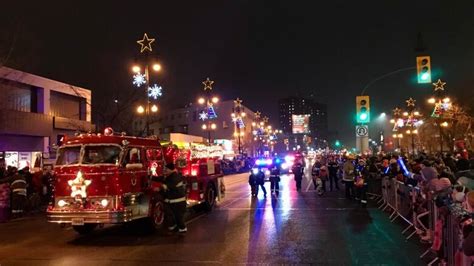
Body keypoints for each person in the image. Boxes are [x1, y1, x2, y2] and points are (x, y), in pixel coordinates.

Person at [161, 162, 187, 233]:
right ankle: (173, 228)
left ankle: (182, 230)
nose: (165, 170)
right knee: (170, 216)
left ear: (171, 169)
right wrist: (151, 177)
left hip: (178, 202)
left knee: (179, 217)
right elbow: (162, 180)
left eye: (166, 169)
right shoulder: (169, 176)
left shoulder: (175, 177)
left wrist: (159, 187)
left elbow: (168, 186)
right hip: (171, 201)